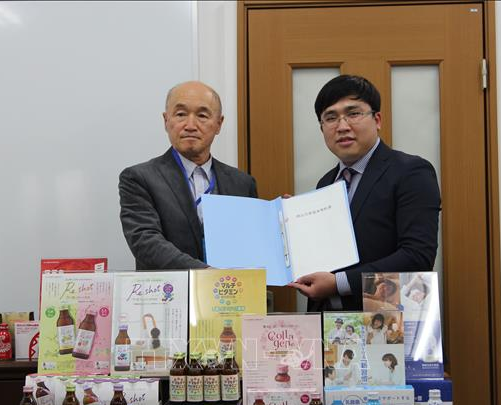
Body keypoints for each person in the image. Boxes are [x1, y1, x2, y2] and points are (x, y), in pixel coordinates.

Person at [288, 75, 441, 312]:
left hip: (387, 323)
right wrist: (296, 225)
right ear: (322, 128)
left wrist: (338, 283)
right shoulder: (325, 184)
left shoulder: (411, 172)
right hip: (327, 323)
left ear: (377, 120)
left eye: (353, 113)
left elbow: (417, 256)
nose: (342, 126)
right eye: (331, 117)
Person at [119, 81, 258, 270]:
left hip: (231, 288)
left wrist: (285, 221)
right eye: (181, 114)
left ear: (219, 124)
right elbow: (146, 242)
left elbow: (251, 242)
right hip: (170, 288)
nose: (190, 125)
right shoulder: (139, 178)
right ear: (166, 120)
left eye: (202, 115)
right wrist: (208, 274)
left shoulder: (242, 183)